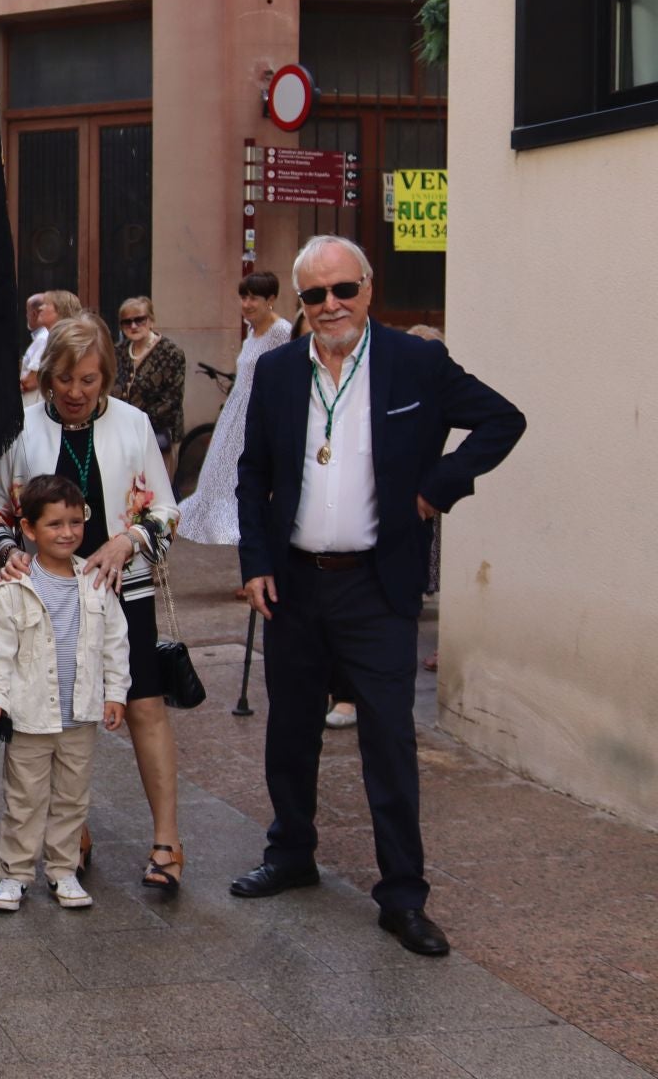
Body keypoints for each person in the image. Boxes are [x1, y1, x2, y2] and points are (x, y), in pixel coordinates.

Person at [232, 236, 525, 958]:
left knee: (388, 740)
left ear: (367, 288)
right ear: (301, 302)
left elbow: (503, 420)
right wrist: (256, 561)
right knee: (289, 729)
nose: (331, 305)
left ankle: (403, 896)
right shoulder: (276, 371)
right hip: (295, 582)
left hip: (378, 583)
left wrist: (438, 488)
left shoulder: (414, 362)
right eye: (315, 294)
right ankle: (291, 853)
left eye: (343, 289)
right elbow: (252, 472)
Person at [0, 313, 184, 892]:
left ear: (107, 378)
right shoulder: (20, 429)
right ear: (48, 375)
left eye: (89, 380)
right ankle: (72, 833)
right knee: (53, 711)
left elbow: (166, 509)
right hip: (47, 598)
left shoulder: (134, 424)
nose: (76, 392)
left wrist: (129, 540)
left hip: (123, 588)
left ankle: (167, 840)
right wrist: (7, 552)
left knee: (142, 705)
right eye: (65, 379)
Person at [0, 475, 129, 912]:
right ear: (28, 529)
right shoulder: (14, 587)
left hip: (79, 715)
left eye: (75, 522)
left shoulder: (95, 581)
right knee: (24, 799)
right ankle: (14, 873)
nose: (67, 533)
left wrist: (116, 693)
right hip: (30, 717)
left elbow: (115, 643)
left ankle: (63, 869)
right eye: (54, 524)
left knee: (71, 797)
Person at [178, 271, 293, 545]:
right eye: (243, 297)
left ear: (271, 299)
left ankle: (245, 527)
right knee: (217, 474)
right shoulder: (251, 332)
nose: (247, 304)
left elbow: (287, 377)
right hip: (235, 413)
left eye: (254, 298)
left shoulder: (282, 331)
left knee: (244, 476)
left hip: (260, 412)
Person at [113, 296, 186, 476]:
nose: (133, 326)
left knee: (155, 486)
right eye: (127, 322)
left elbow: (172, 401)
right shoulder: (118, 351)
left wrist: (136, 422)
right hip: (122, 436)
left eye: (140, 320)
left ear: (151, 321)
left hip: (157, 435)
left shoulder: (171, 353)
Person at [21, 290, 80, 410]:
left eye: (46, 304)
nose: (40, 308)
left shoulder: (48, 340)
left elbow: (31, 381)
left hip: (38, 407)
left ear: (60, 310)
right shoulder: (54, 337)